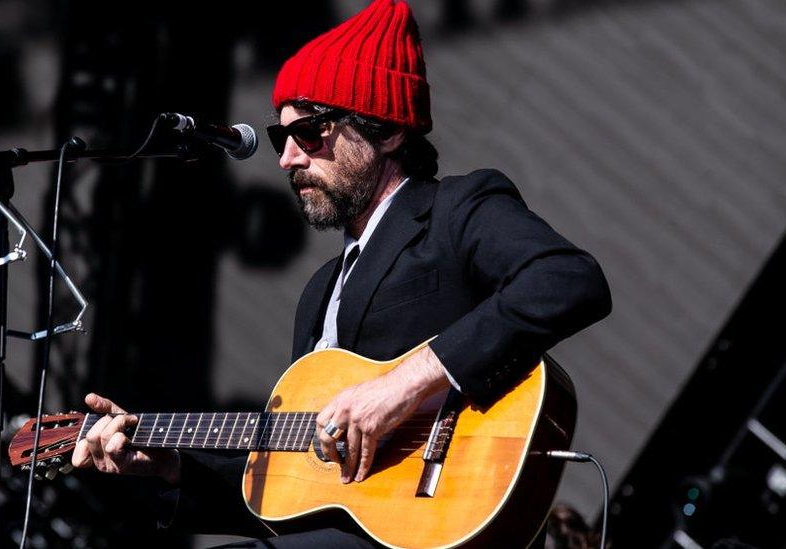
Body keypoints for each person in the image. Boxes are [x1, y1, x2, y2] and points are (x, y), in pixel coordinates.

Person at [71, 0, 612, 546]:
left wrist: (404, 385)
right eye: (281, 138)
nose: (287, 158)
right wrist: (169, 469)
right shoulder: (318, 294)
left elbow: (567, 280)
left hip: (444, 519)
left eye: (308, 132)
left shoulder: (456, 209)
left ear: (388, 130)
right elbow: (292, 488)